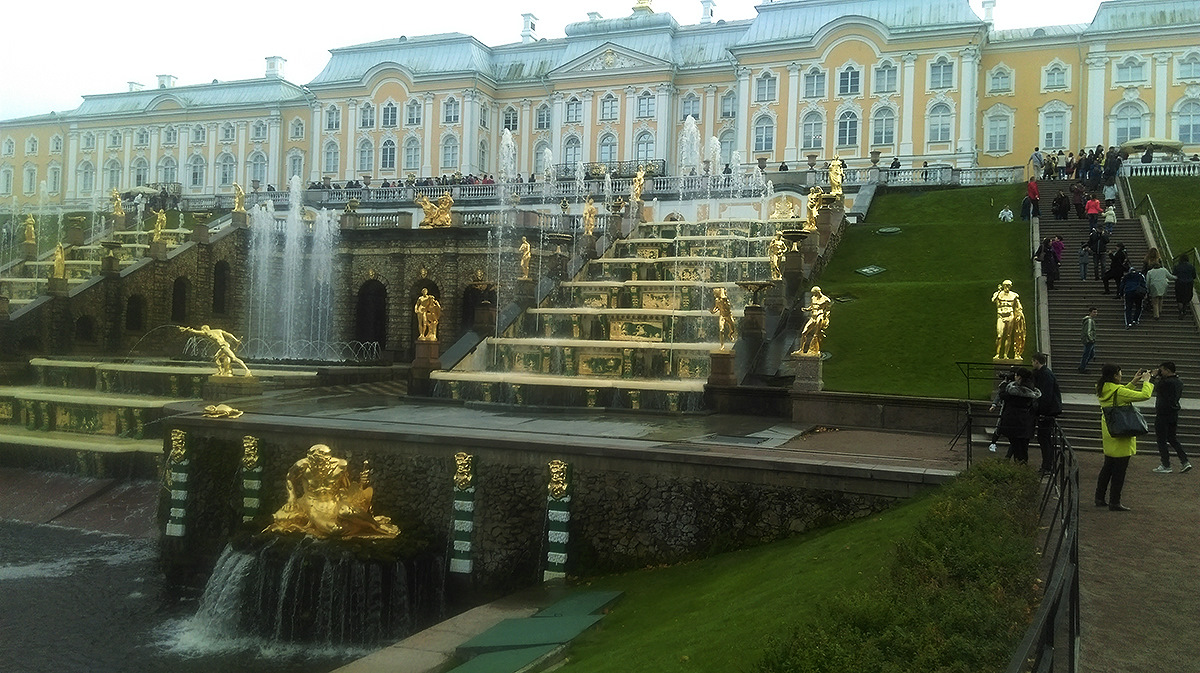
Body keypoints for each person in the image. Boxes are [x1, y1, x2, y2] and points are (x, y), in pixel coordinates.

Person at [266, 443, 399, 539]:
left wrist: (363, 484)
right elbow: (289, 478)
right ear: (310, 460)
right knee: (334, 530)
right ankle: (359, 525)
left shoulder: (340, 466)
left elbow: (347, 489)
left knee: (346, 511)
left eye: (323, 463)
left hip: (335, 500)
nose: (320, 467)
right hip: (313, 503)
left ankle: (375, 526)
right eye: (316, 464)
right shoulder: (302, 466)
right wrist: (291, 498)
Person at [1095, 365, 1154, 511]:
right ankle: (1115, 501)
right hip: (1122, 432)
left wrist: (1133, 382)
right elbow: (1144, 396)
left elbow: (1119, 395)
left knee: (1108, 466)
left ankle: (1099, 497)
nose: (1121, 376)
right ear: (1115, 376)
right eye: (1120, 373)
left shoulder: (1103, 388)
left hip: (1110, 430)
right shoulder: (1119, 391)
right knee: (1120, 470)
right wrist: (1147, 381)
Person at [1150, 362, 1191, 474]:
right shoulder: (1179, 382)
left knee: (1161, 440)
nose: (1160, 372)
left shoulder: (1165, 383)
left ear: (1167, 370)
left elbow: (1154, 388)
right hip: (1173, 413)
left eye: (1162, 370)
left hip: (1163, 414)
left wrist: (1153, 377)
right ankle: (1185, 461)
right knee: (1172, 438)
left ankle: (1166, 464)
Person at [996, 367, 1041, 464]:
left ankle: (1019, 466)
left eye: (1016, 375)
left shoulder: (1013, 391)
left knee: (1017, 447)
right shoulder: (1031, 390)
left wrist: (1004, 384)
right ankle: (1022, 466)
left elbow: (1003, 395)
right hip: (1027, 423)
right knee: (1023, 447)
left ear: (1020, 377)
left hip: (1014, 422)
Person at [1031, 353, 1062, 475]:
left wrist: (1041, 411)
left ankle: (1047, 466)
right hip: (1048, 411)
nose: (1032, 364)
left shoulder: (1045, 375)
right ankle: (1047, 465)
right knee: (1044, 438)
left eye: (1033, 361)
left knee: (1044, 438)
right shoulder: (1045, 374)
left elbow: (1046, 395)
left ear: (1037, 362)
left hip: (1047, 412)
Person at [178, 325, 251, 377]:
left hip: (223, 346)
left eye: (202, 330)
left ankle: (247, 370)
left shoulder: (207, 333)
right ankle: (221, 372)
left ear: (205, 329)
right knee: (216, 358)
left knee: (234, 358)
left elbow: (195, 332)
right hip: (225, 345)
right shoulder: (218, 330)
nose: (202, 331)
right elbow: (229, 335)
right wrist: (236, 340)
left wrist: (187, 330)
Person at [992, 280, 1025, 360]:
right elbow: (993, 300)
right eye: (1006, 285)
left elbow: (1019, 306)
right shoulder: (998, 294)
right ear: (1003, 286)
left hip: (1010, 316)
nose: (1007, 287)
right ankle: (997, 354)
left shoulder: (1014, 295)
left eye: (1009, 285)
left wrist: (1019, 314)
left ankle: (1005, 355)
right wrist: (999, 292)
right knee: (1000, 335)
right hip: (1001, 315)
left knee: (1008, 335)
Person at [1079, 306, 1098, 373]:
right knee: (1087, 354)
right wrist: (1091, 339)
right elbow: (1088, 331)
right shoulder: (1089, 320)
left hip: (1089, 340)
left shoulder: (1089, 320)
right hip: (1089, 340)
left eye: (1096, 312)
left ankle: (1082, 365)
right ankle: (1082, 367)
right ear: (1090, 312)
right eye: (1094, 312)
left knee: (1091, 354)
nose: (1095, 314)